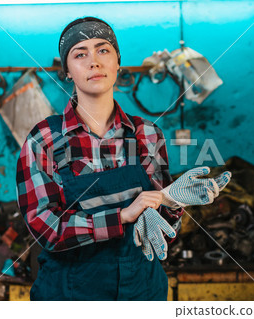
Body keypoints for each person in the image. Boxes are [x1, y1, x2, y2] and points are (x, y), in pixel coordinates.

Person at [16, 17, 230, 301]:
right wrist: (123, 216)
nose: (94, 61)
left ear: (118, 61)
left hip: (142, 290)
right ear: (67, 70)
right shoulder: (43, 139)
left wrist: (170, 202)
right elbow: (48, 230)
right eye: (80, 54)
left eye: (103, 50)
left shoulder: (148, 134)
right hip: (70, 295)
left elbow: (162, 233)